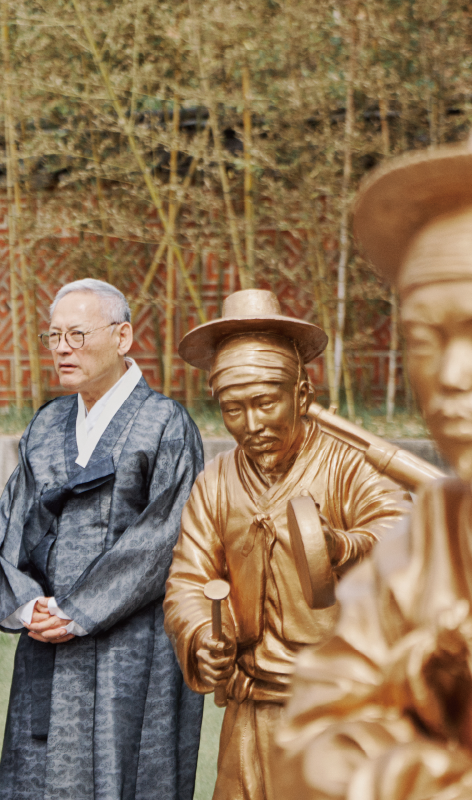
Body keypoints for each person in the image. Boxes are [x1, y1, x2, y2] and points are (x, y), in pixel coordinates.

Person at [274, 98, 472, 799]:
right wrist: (412, 770)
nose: (451, 376)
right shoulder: (438, 526)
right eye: (423, 340)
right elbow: (311, 740)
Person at [162, 289, 410, 800]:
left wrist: (343, 547)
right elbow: (188, 580)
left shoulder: (347, 463)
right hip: (251, 711)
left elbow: (404, 530)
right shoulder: (216, 482)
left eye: (265, 403)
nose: (252, 425)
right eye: (233, 409)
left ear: (301, 393)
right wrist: (205, 635)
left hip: (339, 707)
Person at [0, 278, 205, 800]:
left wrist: (80, 610)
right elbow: (13, 520)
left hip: (132, 642)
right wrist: (30, 605)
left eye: (77, 335)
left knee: (129, 771)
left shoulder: (165, 425)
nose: (62, 349)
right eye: (54, 336)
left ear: (122, 337)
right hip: (47, 634)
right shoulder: (46, 425)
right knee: (37, 772)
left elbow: (164, 536)